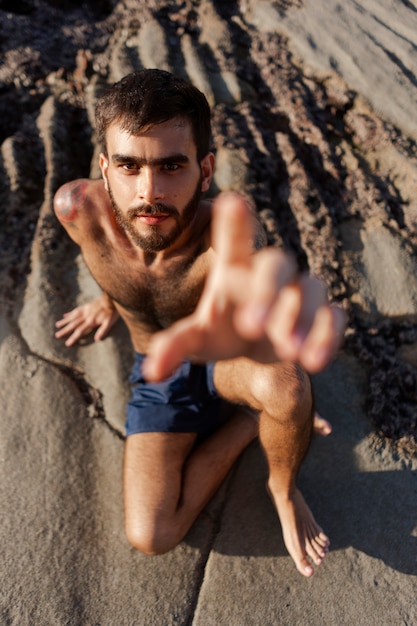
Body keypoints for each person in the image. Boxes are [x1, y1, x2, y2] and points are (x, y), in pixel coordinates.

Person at [53, 69, 345, 577]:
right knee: (151, 535)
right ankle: (252, 424)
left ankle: (283, 488)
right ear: (105, 168)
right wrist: (106, 302)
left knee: (289, 389)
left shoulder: (224, 235)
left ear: (205, 170)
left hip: (220, 357)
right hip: (159, 372)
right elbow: (98, 255)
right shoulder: (77, 209)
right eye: (128, 166)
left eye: (171, 166)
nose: (149, 192)